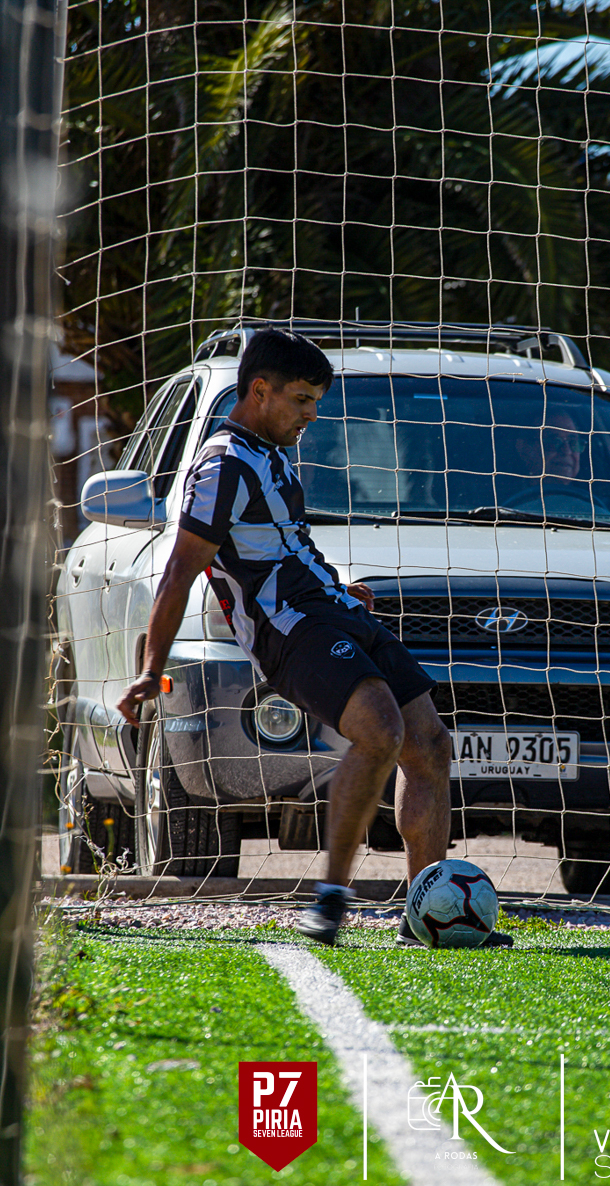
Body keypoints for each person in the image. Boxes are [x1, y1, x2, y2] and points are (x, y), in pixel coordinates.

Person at [116, 330, 510, 948]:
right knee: (381, 731)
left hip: (332, 612)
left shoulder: (271, 453)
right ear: (260, 390)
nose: (312, 415)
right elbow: (179, 571)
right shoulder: (221, 465)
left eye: (316, 401)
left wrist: (335, 586)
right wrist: (149, 668)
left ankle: (423, 916)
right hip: (290, 630)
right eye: (302, 399)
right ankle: (330, 900)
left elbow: (280, 547)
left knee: (431, 745)